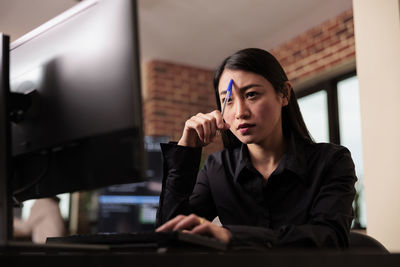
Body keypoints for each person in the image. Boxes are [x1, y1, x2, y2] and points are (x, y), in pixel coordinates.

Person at [155, 48, 357, 248]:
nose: (240, 112)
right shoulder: (217, 168)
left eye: (251, 95)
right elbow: (170, 238)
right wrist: (185, 152)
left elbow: (330, 237)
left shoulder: (332, 161)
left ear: (284, 94)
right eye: (227, 100)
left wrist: (233, 237)